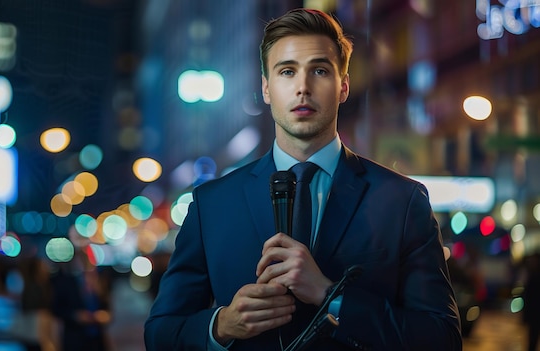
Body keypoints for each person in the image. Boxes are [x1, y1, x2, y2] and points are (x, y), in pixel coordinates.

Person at [144, 8, 462, 351]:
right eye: (287, 72)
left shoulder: (401, 200)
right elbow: (160, 333)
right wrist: (223, 324)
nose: (303, 87)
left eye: (320, 70)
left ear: (343, 87)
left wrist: (329, 295)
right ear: (266, 88)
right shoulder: (212, 204)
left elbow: (441, 338)